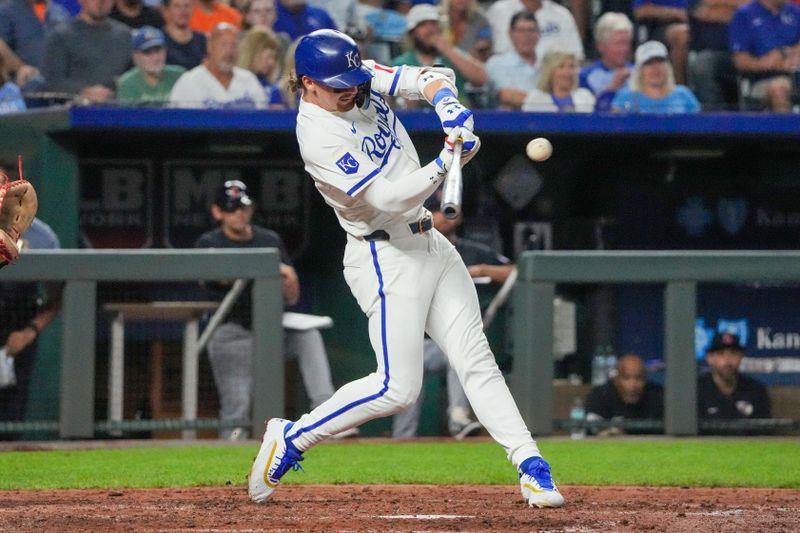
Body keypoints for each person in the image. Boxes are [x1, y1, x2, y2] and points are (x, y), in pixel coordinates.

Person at [247, 29, 565, 509]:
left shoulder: (355, 77)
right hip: (382, 255)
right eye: (337, 84)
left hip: (430, 243)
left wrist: (449, 109)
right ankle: (293, 437)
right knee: (398, 388)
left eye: (351, 79)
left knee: (475, 358)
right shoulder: (317, 135)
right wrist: (445, 161)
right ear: (307, 83)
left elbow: (433, 76)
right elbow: (388, 199)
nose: (349, 89)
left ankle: (530, 465)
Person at [194, 180, 344, 440]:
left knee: (307, 336)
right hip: (232, 333)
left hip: (271, 330)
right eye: (232, 209)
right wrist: (274, 270)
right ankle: (227, 461)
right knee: (236, 408)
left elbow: (292, 293)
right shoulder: (209, 241)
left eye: (243, 207)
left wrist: (286, 277)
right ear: (218, 212)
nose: (239, 213)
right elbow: (220, 277)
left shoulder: (268, 239)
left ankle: (326, 413)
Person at [392, 191, 514, 440]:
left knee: (458, 349)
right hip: (417, 341)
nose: (445, 216)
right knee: (406, 372)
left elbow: (517, 271)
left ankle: (458, 418)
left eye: (449, 210)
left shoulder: (472, 251)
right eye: (437, 210)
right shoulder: (409, 249)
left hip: (451, 339)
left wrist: (481, 270)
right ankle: (402, 438)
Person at [0, 160, 62, 437]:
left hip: (16, 330)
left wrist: (29, 332)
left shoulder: (43, 236)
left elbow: (56, 298)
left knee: (11, 422)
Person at [391, 3, 487, 108]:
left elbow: (481, 78)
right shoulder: (402, 63)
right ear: (412, 33)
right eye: (423, 25)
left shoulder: (452, 57)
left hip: (458, 116)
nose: (430, 30)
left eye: (433, 24)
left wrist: (448, 50)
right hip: (420, 120)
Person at [41, 0, 133, 104]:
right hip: (76, 111)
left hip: (121, 110)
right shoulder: (60, 37)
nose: (101, 2)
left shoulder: (125, 36)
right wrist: (84, 91)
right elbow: (53, 81)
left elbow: (137, 75)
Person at [170, 22, 268, 108]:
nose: (229, 52)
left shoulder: (249, 80)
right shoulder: (189, 83)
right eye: (223, 45)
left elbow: (263, 118)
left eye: (233, 45)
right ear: (210, 46)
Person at [729, 0, 800, 113]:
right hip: (762, 80)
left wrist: (787, 53)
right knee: (779, 89)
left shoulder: (796, 12)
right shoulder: (744, 15)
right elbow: (740, 60)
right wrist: (765, 63)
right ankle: (785, 130)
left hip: (795, 76)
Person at [686, 0, 747, 110]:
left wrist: (717, 5)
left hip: (748, 52)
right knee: (702, 63)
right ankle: (716, 121)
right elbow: (702, 12)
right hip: (711, 50)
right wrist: (737, 11)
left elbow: (755, 8)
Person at [698, 331, 771, 423]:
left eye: (733, 353)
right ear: (710, 358)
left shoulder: (755, 390)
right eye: (721, 354)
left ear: (741, 356)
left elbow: (765, 432)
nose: (727, 361)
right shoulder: (696, 391)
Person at [584, 353, 664, 435]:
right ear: (616, 379)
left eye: (638, 378)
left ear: (645, 379)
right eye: (626, 378)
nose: (632, 385)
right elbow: (591, 431)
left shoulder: (659, 396)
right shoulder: (600, 396)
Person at [611, 39, 700, 112]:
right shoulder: (625, 97)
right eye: (649, 63)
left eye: (660, 61)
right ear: (640, 70)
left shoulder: (683, 95)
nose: (656, 68)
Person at [0, 0, 71, 91]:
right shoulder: (6, 12)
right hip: (24, 87)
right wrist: (20, 68)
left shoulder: (59, 12)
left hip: (59, 85)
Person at [486, 0, 584, 60]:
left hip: (554, 82)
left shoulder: (562, 14)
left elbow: (576, 56)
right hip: (513, 79)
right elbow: (498, 54)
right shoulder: (500, 11)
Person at [579, 12, 634, 112]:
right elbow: (590, 112)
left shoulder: (640, 72)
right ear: (601, 46)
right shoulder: (585, 77)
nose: (624, 49)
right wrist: (614, 86)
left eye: (626, 43)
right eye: (618, 44)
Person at [117, 26, 186, 105]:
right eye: (147, 52)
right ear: (135, 56)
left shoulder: (179, 75)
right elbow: (129, 116)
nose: (155, 58)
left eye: (158, 50)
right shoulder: (128, 83)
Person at [485, 11, 540, 109]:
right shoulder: (497, 63)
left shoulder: (547, 63)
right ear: (511, 34)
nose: (526, 35)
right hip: (511, 120)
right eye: (521, 30)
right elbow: (507, 96)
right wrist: (548, 102)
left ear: (538, 34)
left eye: (531, 30)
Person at [631, 0, 690, 84]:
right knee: (681, 34)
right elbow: (640, 11)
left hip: (694, 25)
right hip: (657, 27)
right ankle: (679, 86)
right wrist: (676, 13)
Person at [522, 49, 596, 111]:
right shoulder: (536, 98)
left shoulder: (585, 96)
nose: (567, 72)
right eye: (561, 67)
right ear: (549, 71)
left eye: (571, 67)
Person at [237, 27, 287, 107]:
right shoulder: (234, 84)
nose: (272, 62)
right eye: (269, 56)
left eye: (274, 58)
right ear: (253, 54)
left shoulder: (272, 91)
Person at [163, 0, 208, 71]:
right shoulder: (159, 39)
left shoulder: (202, 39)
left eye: (187, 5)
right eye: (177, 6)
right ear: (167, 10)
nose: (183, 11)